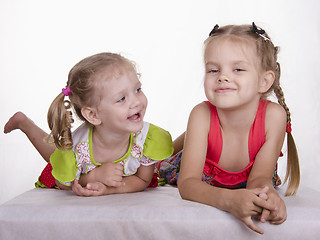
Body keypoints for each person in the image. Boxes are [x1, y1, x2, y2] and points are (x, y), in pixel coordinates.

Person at [157, 23, 300, 234]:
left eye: (238, 69)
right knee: (152, 163)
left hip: (238, 166)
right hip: (200, 165)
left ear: (264, 81)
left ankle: (195, 139)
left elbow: (260, 178)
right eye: (213, 70)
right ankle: (177, 143)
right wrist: (229, 200)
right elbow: (187, 184)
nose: (222, 77)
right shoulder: (201, 113)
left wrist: (268, 196)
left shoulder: (273, 116)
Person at [4, 52, 173, 196]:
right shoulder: (78, 147)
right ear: (93, 115)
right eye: (121, 98)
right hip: (76, 161)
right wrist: (92, 177)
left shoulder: (147, 139)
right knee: (54, 157)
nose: (136, 102)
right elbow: (63, 183)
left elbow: (143, 179)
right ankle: (25, 124)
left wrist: (108, 189)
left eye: (138, 90)